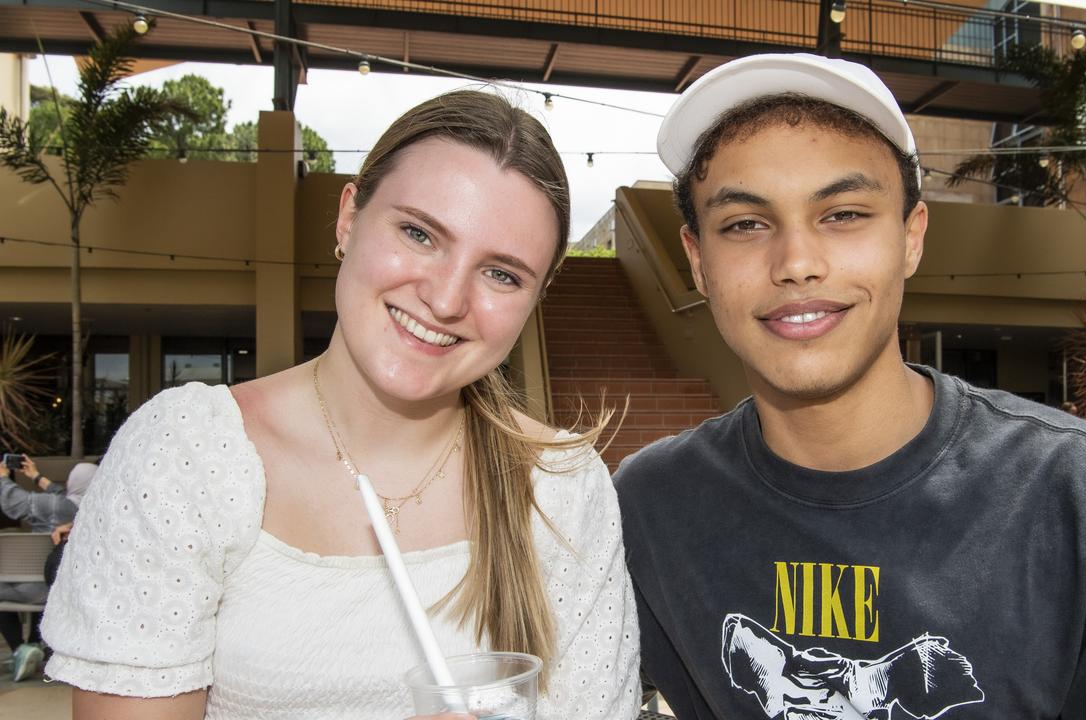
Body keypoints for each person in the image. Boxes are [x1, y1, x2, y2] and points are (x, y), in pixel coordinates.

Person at [613, 53, 1086, 719]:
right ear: (697, 260)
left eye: (842, 214)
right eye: (745, 224)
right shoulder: (649, 510)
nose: (797, 263)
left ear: (911, 237)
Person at [40, 90, 639, 720]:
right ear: (348, 218)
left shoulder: (562, 488)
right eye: (419, 233)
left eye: (502, 274)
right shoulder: (187, 455)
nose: (445, 299)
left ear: (536, 297)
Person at [0, 458, 96, 681]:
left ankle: (18, 649)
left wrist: (3, 478)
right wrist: (35, 476)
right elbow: (63, 496)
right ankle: (34, 643)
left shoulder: (57, 507)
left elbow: (14, 503)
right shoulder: (91, 510)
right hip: (65, 589)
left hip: (37, 589)